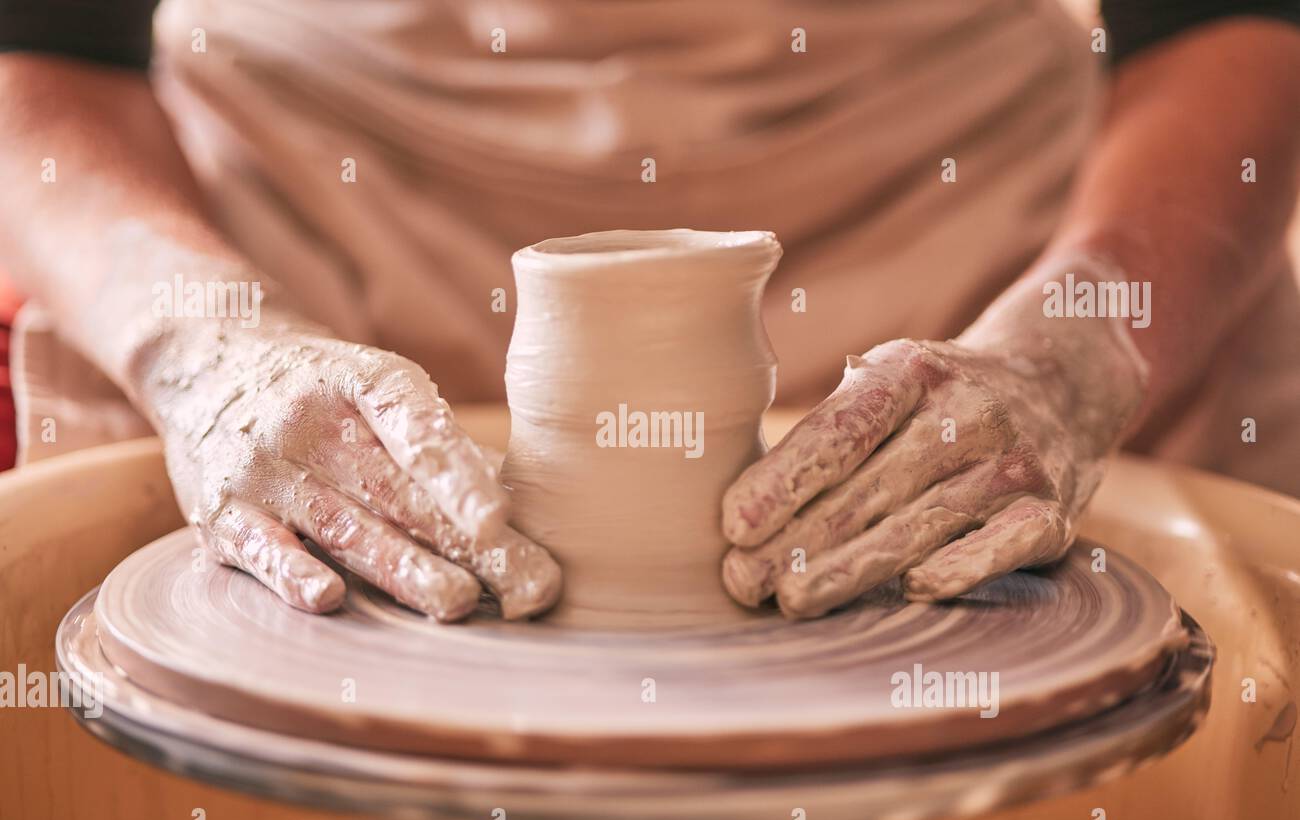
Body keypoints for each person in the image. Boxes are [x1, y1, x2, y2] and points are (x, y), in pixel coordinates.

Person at [0, 1, 1297, 621]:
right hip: (314, 195)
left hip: (964, 202)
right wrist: (205, 347)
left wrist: (1079, 345)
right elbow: (44, 39)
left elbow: (1237, 18)